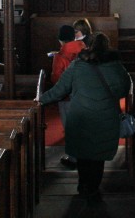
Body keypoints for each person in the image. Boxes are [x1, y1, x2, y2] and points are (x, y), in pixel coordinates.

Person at [38, 32, 132, 202]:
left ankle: (83, 186)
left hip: (81, 118)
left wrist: (39, 101)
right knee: (98, 158)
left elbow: (59, 90)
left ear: (89, 47)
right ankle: (93, 188)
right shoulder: (117, 67)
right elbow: (124, 90)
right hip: (105, 118)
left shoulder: (77, 66)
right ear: (107, 47)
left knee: (83, 155)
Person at [51, 25, 87, 170]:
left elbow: (56, 79)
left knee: (70, 126)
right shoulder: (85, 51)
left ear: (60, 40)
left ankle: (74, 158)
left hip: (68, 97)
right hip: (85, 95)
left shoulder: (60, 56)